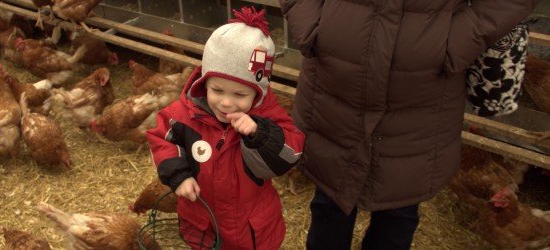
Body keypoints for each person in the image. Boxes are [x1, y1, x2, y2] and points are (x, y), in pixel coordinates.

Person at [279, 0, 540, 249]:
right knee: (329, 203)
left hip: (421, 97)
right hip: (336, 82)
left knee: (398, 213)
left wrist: (455, 40)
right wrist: (312, 25)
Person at [146, 6, 305, 249]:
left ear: (258, 91)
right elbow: (162, 138)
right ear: (204, 82)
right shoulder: (185, 113)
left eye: (240, 94)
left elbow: (291, 152)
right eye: (217, 90)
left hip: (250, 228)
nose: (226, 102)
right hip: (202, 223)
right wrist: (179, 175)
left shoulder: (269, 116)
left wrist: (258, 133)